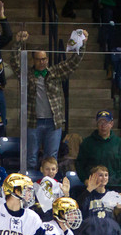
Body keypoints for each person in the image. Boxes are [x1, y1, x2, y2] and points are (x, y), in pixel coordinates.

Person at [9, 29, 86, 171]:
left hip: (53, 121)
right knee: (30, 157)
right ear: (33, 60)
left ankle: (50, 187)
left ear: (47, 59)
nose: (42, 62)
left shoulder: (55, 72)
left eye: (44, 59)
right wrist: (18, 43)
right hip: (33, 121)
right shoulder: (27, 74)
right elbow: (14, 61)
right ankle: (30, 186)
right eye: (38, 59)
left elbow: (73, 62)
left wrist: (82, 45)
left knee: (51, 158)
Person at [75, 109, 121, 194]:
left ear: (111, 124)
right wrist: (85, 180)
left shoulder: (120, 144)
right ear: (97, 124)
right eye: (100, 122)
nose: (103, 126)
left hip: (115, 186)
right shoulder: (87, 143)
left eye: (106, 122)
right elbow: (79, 165)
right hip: (94, 188)